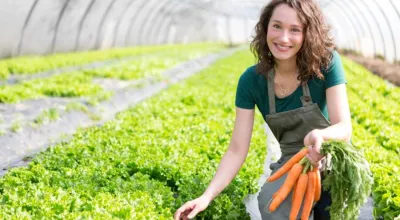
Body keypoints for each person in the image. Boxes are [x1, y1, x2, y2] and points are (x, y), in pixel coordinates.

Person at [174, 0, 352, 219]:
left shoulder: (327, 63)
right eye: (277, 26)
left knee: (331, 212)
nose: (283, 38)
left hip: (333, 159)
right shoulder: (252, 81)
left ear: (308, 34)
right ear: (265, 28)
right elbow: (237, 150)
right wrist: (205, 197)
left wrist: (320, 136)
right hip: (292, 163)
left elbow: (344, 127)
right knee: (271, 207)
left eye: (294, 30)